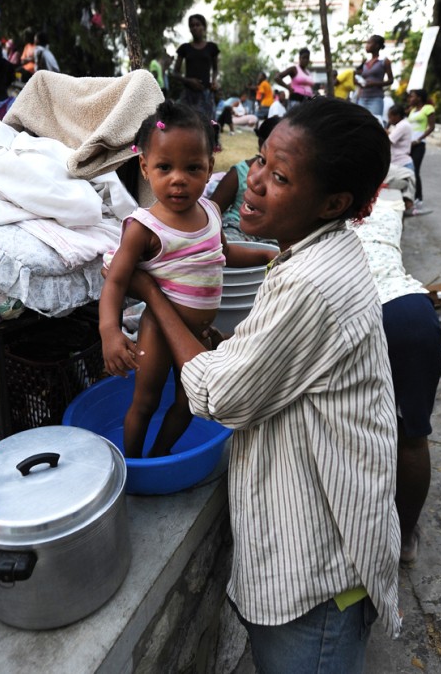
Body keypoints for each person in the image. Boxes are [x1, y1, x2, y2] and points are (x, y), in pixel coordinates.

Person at [114, 97, 401, 672]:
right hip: (320, 551)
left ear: (334, 203)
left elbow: (218, 397)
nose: (256, 182)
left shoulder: (310, 287)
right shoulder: (311, 253)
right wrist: (222, 342)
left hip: (319, 578)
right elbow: (269, 361)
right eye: (261, 162)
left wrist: (154, 295)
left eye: (282, 176)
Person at [99, 100, 276, 459]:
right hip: (158, 332)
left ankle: (159, 456)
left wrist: (267, 255)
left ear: (210, 167)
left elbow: (224, 254)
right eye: (165, 167)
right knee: (145, 401)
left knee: (191, 402)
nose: (178, 179)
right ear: (145, 168)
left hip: (199, 334)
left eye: (193, 167)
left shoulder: (210, 211)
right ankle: (132, 463)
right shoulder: (143, 227)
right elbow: (115, 282)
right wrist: (110, 332)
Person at [350, 200, 441, 566]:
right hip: (408, 312)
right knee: (412, 437)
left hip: (351, 308)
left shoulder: (310, 209)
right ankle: (404, 539)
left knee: (353, 425)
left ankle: (360, 535)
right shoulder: (389, 206)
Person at [210, 116, 280, 243]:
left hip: (272, 234)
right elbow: (211, 211)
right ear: (261, 143)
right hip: (236, 227)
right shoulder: (239, 173)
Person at [172, 14, 219, 118]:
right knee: (184, 123)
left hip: (205, 94)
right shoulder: (184, 48)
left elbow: (215, 69)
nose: (195, 28)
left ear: (204, 27)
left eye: (198, 25)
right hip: (188, 95)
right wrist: (189, 81)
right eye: (192, 25)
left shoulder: (212, 48)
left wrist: (214, 81)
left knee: (206, 126)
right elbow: (175, 73)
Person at [407, 88, 436, 211]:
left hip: (419, 144)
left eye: (412, 96)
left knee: (415, 171)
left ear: (419, 97)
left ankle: (419, 198)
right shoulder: (412, 110)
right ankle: (410, 196)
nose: (410, 99)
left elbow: (431, 127)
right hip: (409, 144)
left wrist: (418, 139)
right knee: (408, 170)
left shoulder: (428, 108)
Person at [356, 35, 394, 118]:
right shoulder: (365, 62)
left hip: (376, 98)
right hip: (362, 98)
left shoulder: (384, 61)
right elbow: (361, 81)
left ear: (377, 45)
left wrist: (375, 83)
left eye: (369, 43)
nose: (366, 45)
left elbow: (391, 80)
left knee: (375, 122)